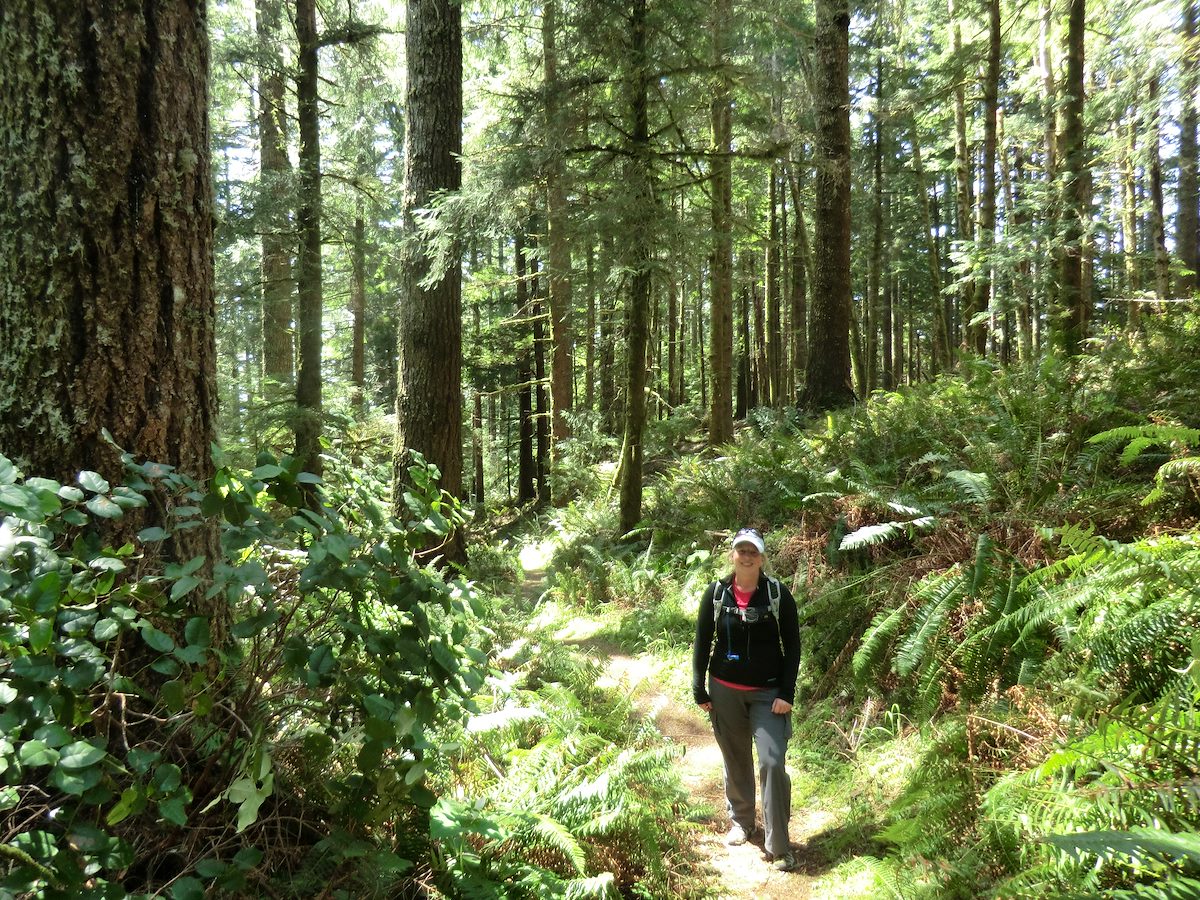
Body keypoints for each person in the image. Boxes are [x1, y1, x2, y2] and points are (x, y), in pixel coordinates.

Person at [692, 526, 801, 872]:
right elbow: (701, 641)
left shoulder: (777, 594)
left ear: (762, 557)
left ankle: (779, 845)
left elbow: (793, 647)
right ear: (732, 555)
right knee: (735, 758)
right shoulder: (716, 593)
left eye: (753, 551)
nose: (747, 556)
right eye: (741, 550)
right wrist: (699, 686)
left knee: (771, 761)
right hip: (724, 689)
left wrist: (786, 692)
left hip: (768, 694)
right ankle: (742, 821)